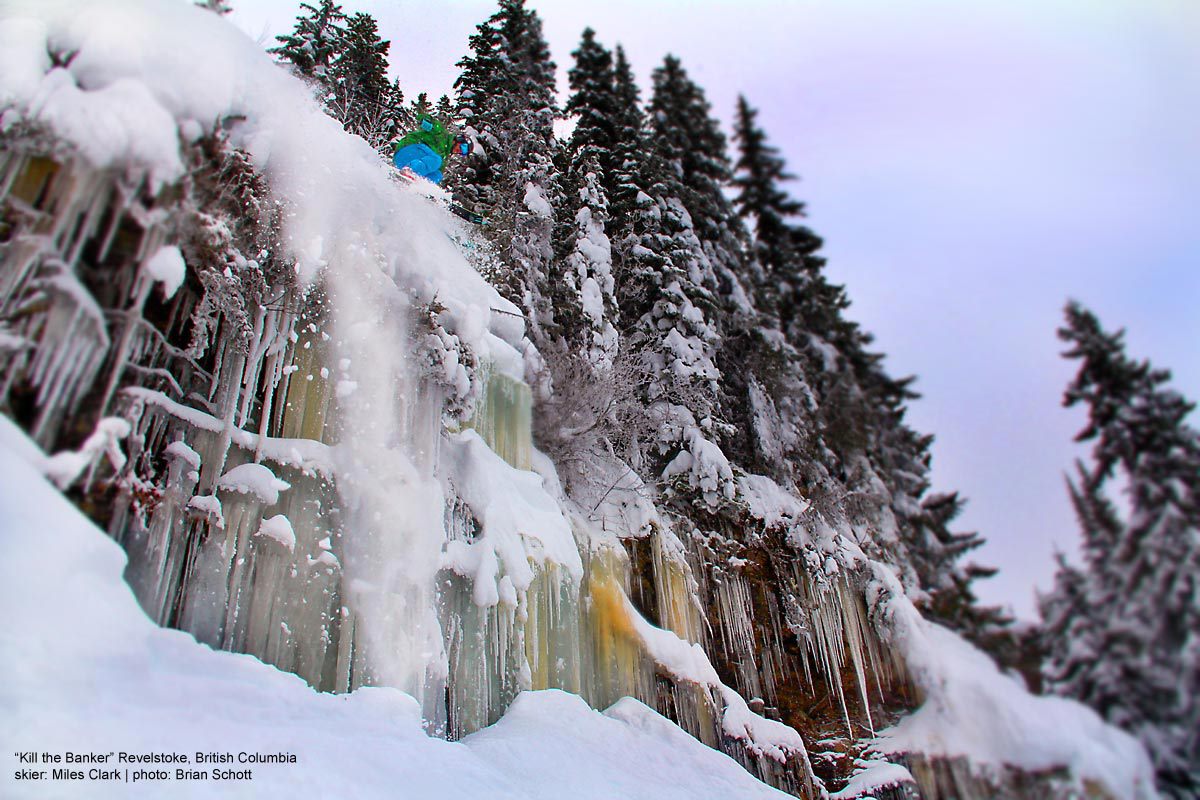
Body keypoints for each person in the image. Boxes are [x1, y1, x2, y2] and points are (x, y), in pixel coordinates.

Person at [392, 115, 472, 185]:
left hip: (402, 163)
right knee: (436, 160)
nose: (461, 151)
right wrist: (426, 121)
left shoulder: (444, 159)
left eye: (464, 153)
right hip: (409, 149)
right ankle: (410, 171)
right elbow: (430, 121)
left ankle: (420, 187)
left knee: (438, 174)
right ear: (459, 139)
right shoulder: (441, 134)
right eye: (463, 147)